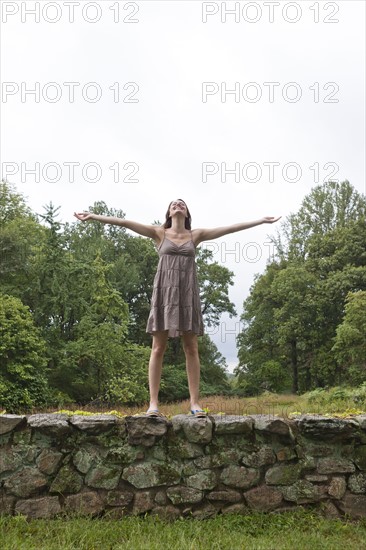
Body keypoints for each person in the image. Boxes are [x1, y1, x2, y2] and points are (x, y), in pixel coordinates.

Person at [74, 200, 280, 417]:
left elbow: (229, 229)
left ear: (187, 212)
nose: (178, 205)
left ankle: (194, 403)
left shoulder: (195, 235)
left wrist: (260, 221)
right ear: (169, 212)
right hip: (164, 293)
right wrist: (94, 216)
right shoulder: (158, 233)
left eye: (182, 204)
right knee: (157, 348)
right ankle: (153, 403)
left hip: (187, 294)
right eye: (174, 204)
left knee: (191, 348)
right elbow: (124, 222)